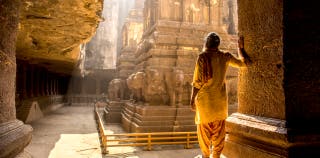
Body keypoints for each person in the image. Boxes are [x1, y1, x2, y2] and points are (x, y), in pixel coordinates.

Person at [190, 32, 251, 158]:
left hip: (204, 104)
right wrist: (240, 49)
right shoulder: (225, 57)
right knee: (219, 133)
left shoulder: (202, 57)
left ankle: (206, 155)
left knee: (204, 133)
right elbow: (244, 64)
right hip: (220, 104)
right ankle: (216, 155)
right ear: (218, 45)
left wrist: (192, 99)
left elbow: (197, 83)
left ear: (206, 43)